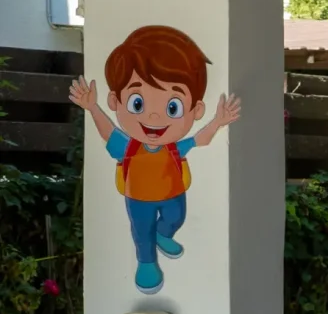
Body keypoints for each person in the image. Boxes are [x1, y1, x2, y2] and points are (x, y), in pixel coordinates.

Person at [67, 25, 241, 294]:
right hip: (137, 198)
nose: (154, 118)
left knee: (176, 218)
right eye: (138, 103)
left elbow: (199, 139)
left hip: (173, 194)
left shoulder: (172, 147)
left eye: (173, 107)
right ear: (115, 101)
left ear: (196, 110)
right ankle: (146, 264)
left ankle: (165, 233)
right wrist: (92, 107)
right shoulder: (128, 146)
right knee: (141, 233)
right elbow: (108, 132)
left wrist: (218, 122)